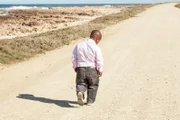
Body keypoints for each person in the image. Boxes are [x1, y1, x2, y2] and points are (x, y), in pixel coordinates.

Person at [72, 30, 103, 106]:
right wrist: (100, 69)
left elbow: (74, 57)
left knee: (81, 83)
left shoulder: (79, 45)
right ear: (97, 39)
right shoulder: (96, 47)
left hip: (81, 68)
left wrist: (75, 66)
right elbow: (99, 60)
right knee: (93, 85)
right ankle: (90, 101)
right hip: (92, 69)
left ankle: (80, 92)